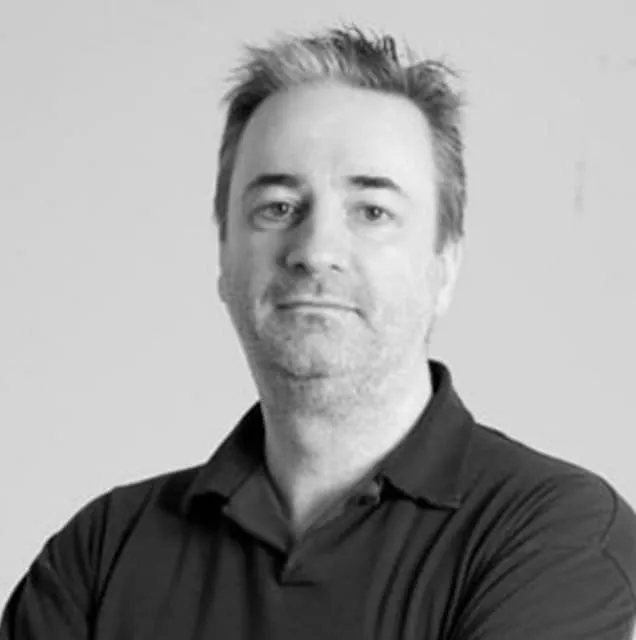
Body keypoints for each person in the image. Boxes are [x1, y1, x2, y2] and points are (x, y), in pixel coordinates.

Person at [2, 25, 636, 640]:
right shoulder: (103, 553)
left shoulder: (554, 534)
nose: (315, 250)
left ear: (445, 266)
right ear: (224, 257)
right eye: (277, 207)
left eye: (373, 211)